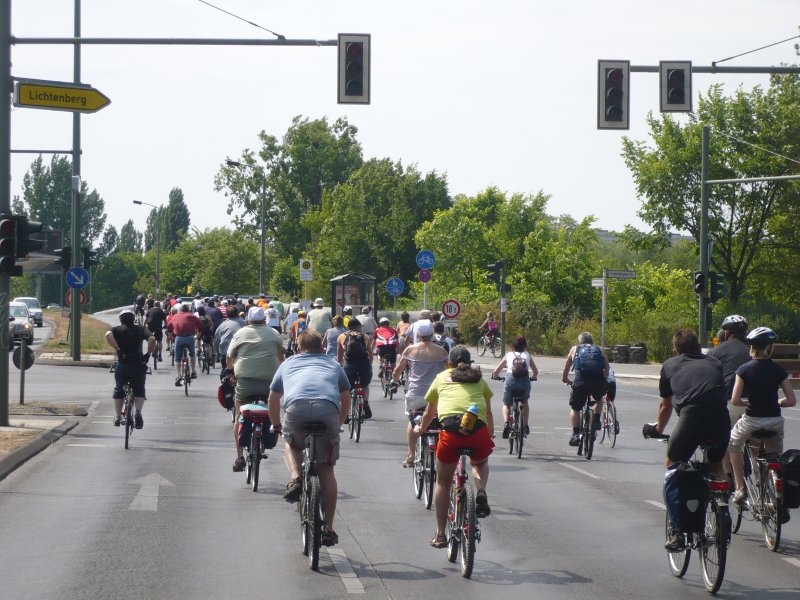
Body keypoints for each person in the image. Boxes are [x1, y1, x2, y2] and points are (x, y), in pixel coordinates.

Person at [643, 329, 731, 551]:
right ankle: (721, 505)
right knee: (715, 465)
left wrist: (658, 429)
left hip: (692, 417)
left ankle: (677, 532)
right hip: (721, 418)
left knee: (672, 465)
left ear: (675, 350)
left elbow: (666, 405)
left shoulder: (670, 364)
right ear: (698, 346)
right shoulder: (714, 363)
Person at [267, 329, 351, 547]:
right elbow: (346, 398)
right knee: (327, 471)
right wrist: (338, 425)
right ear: (322, 346)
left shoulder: (287, 364)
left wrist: (277, 425)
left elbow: (273, 398)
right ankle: (329, 529)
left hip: (296, 408)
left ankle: (295, 477)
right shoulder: (333, 364)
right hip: (327, 409)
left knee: (292, 443)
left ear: (298, 345)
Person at [415, 346, 494, 548]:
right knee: (480, 462)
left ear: (448, 363)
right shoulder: (479, 379)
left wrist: (422, 430)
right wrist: (489, 434)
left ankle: (441, 534)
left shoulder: (441, 378)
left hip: (451, 434)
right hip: (477, 431)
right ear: (469, 362)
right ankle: (481, 489)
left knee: (443, 482)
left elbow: (429, 413)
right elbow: (489, 412)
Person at [729, 327, 796, 512]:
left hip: (751, 420)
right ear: (770, 347)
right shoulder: (779, 370)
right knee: (773, 456)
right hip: (774, 421)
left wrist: (749, 402)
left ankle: (740, 487)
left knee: (734, 443)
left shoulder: (743, 370)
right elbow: (791, 401)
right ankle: (773, 490)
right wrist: (776, 402)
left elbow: (735, 400)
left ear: (752, 347)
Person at [226, 306, 285, 472]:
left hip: (245, 381)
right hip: (269, 381)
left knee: (239, 417)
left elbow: (229, 356)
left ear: (248, 320)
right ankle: (269, 430)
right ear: (265, 320)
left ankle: (239, 457)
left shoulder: (241, 333)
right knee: (272, 407)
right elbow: (281, 358)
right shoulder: (274, 334)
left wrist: (231, 372)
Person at [392, 320, 448, 467]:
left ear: (417, 335)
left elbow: (398, 370)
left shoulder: (410, 350)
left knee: (412, 421)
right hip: (436, 394)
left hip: (416, 393)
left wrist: (394, 380)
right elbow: (450, 370)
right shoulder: (441, 351)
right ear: (432, 334)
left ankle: (410, 456)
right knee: (439, 421)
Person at [708, 314, 751, 478]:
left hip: (731, 403)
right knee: (756, 443)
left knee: (726, 440)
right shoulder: (754, 349)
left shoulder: (716, 352)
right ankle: (762, 477)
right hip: (757, 404)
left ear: (726, 333)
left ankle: (728, 478)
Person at [105, 309, 156, 429]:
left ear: (121, 319)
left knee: (119, 390)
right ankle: (138, 412)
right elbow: (152, 339)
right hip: (138, 365)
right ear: (134, 319)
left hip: (123, 365)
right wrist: (148, 354)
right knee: (139, 390)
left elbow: (108, 335)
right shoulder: (140, 329)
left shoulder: (117, 329)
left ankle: (118, 417)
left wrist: (118, 349)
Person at [562, 332, 609, 446]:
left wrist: (565, 378)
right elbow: (606, 366)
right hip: (597, 381)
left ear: (580, 341)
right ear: (591, 341)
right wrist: (604, 380)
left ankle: (576, 434)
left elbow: (567, 364)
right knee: (599, 400)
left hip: (581, 382)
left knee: (575, 408)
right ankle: (597, 420)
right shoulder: (600, 349)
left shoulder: (575, 349)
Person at [492, 335, 538, 438]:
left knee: (506, 404)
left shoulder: (509, 355)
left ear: (513, 345)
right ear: (525, 345)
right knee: (525, 401)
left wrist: (495, 376)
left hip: (511, 380)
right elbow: (535, 372)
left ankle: (507, 424)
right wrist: (533, 377)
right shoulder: (527, 355)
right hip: (525, 381)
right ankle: (525, 425)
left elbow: (496, 371)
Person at [337, 317, 373, 419]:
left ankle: (346, 411)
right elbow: (370, 355)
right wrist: (369, 365)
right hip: (363, 365)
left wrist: (340, 365)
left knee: (347, 388)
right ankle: (365, 403)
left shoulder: (341, 337)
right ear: (358, 327)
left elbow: (339, 356)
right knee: (365, 385)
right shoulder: (365, 337)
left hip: (350, 366)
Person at [167, 302, 204, 386]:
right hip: (190, 337)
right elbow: (200, 327)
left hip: (179, 338)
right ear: (188, 310)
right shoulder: (192, 316)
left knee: (177, 358)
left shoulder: (175, 316)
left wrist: (170, 337)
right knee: (192, 354)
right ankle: (193, 371)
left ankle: (178, 375)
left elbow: (169, 327)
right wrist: (197, 336)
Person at [213, 305, 246, 379]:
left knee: (224, 375)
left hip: (226, 354)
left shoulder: (222, 325)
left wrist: (217, 353)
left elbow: (216, 341)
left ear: (227, 314)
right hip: (243, 354)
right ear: (238, 313)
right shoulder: (246, 324)